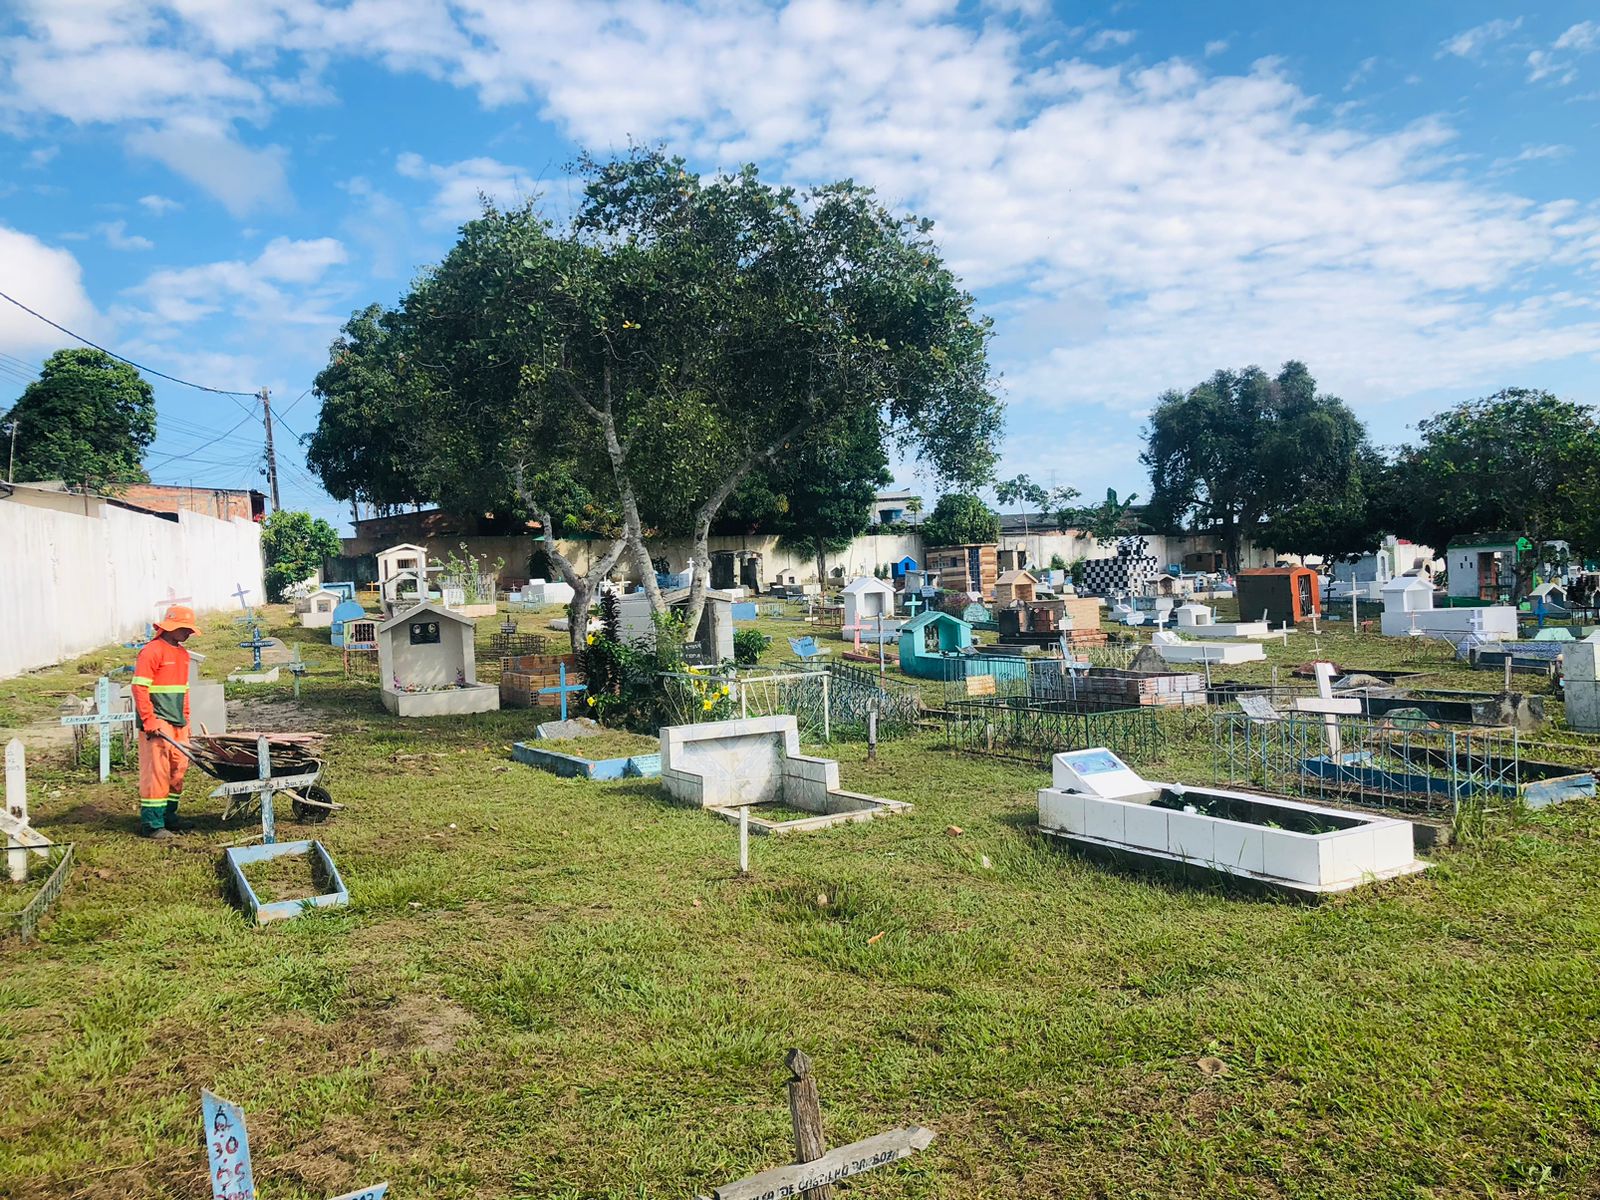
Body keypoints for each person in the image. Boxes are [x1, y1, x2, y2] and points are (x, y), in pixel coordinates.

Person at [131, 605, 199, 839]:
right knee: (157, 773)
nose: (188, 633)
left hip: (177, 721)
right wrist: (149, 720)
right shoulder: (151, 651)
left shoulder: (183, 654)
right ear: (169, 627)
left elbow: (184, 689)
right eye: (184, 628)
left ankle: (169, 816)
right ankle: (152, 824)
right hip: (158, 722)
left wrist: (186, 718)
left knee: (178, 769)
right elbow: (139, 688)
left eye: (189, 629)